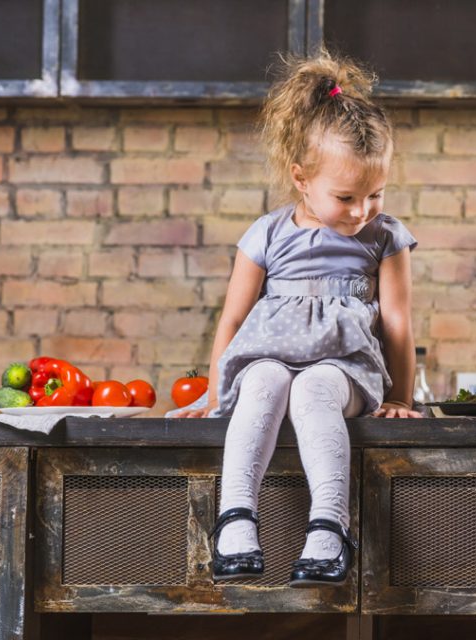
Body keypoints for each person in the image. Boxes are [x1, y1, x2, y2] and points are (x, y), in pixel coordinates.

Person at [174, 48, 422, 587]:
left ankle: (328, 527)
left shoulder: (384, 238)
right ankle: (236, 521)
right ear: (301, 179)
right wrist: (216, 392)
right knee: (261, 379)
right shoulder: (266, 234)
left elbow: (398, 323)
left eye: (375, 194)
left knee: (313, 388)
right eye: (347, 196)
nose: (362, 211)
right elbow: (233, 320)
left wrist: (400, 397)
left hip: (346, 370)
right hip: (270, 358)